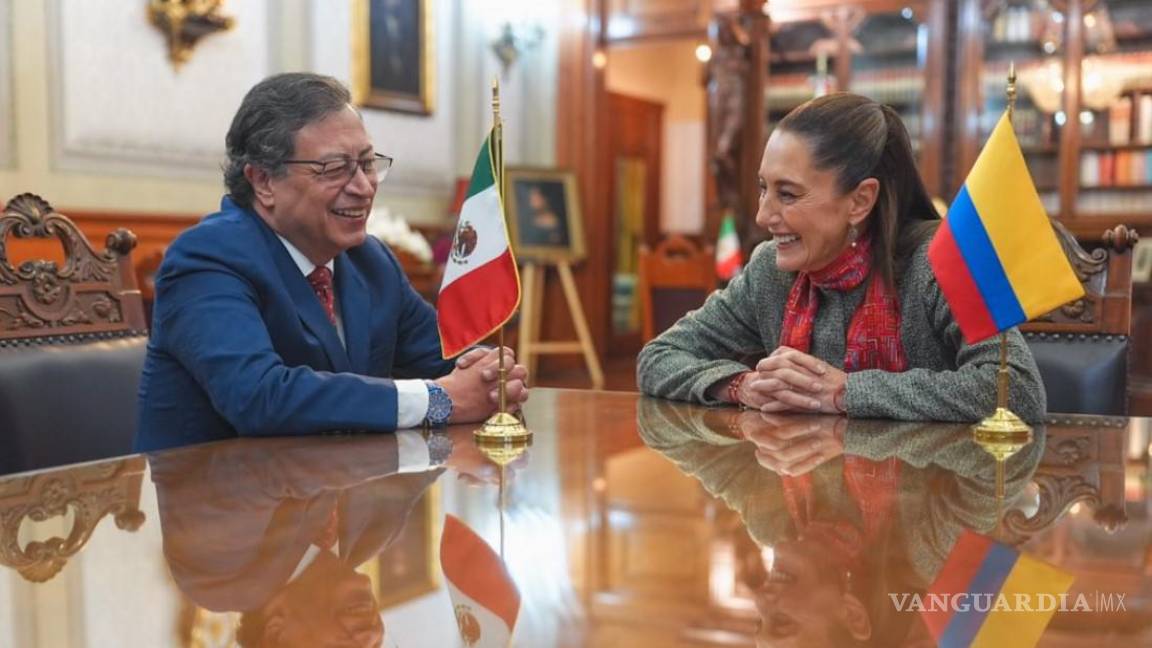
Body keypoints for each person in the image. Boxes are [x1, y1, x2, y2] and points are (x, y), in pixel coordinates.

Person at [135, 73, 527, 451]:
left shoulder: (370, 261)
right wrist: (439, 400)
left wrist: (490, 375)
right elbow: (260, 398)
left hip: (336, 497)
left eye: (368, 163)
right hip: (216, 503)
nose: (363, 187)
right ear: (263, 182)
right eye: (335, 169)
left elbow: (443, 359)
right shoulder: (208, 259)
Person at [637, 93, 1046, 422]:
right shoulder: (769, 272)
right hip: (797, 505)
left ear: (860, 200)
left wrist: (844, 391)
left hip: (928, 507)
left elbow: (1017, 390)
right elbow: (657, 357)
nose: (763, 216)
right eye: (763, 188)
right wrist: (741, 386)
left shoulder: (942, 261)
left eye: (788, 194)